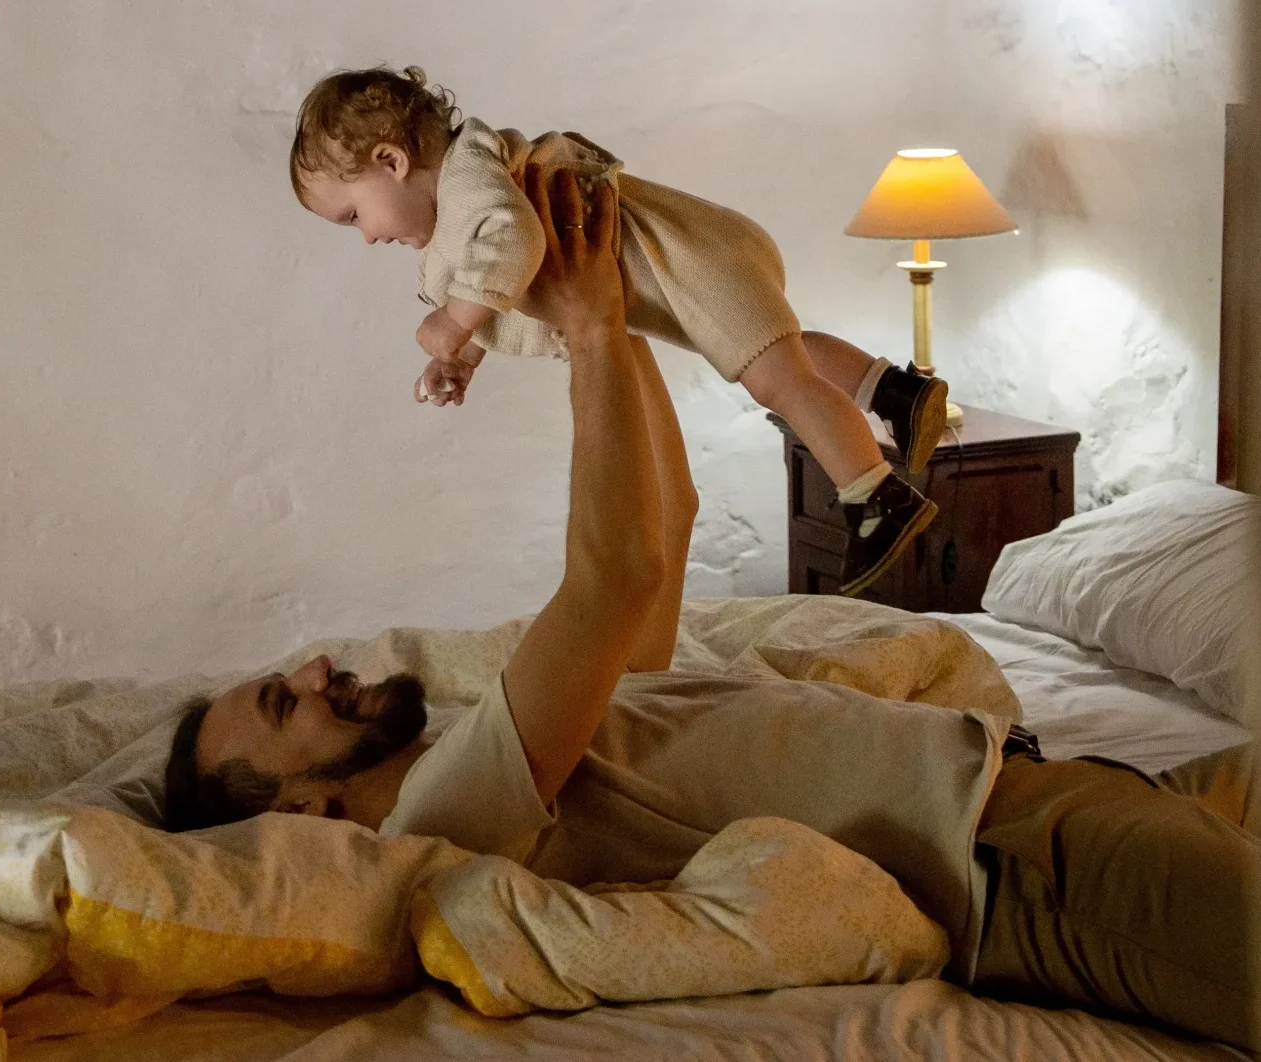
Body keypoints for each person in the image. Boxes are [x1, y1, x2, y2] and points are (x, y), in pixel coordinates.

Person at [167, 166, 1260, 1053]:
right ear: (306, 817)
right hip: (1021, 862)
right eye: (282, 701)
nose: (313, 669)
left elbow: (668, 523)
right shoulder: (448, 809)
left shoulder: (540, 741)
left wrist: (627, 314)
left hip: (1047, 782)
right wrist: (591, 331)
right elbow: (614, 577)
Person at [287, 65, 947, 596]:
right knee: (778, 353)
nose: (368, 237)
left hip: (688, 256)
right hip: (677, 279)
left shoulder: (471, 177)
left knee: (778, 381)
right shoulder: (454, 226)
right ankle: (891, 390)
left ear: (392, 161)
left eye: (352, 216)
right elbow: (500, 284)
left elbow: (513, 243)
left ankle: (875, 495)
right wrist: (461, 355)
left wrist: (454, 319)